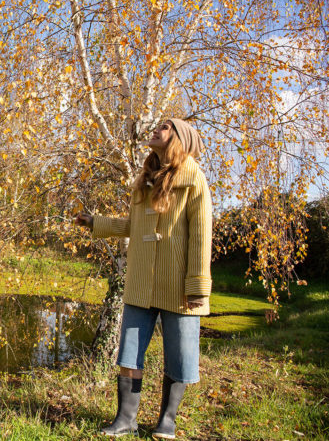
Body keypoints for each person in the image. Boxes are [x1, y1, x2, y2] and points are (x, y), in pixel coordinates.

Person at [75, 118, 212, 439]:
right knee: (129, 352)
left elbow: (201, 236)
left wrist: (197, 286)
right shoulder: (145, 181)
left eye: (165, 126)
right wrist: (96, 222)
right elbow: (134, 227)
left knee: (180, 354)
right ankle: (126, 419)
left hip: (179, 285)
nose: (156, 129)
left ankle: (167, 420)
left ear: (179, 138)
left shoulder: (195, 180)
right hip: (140, 281)